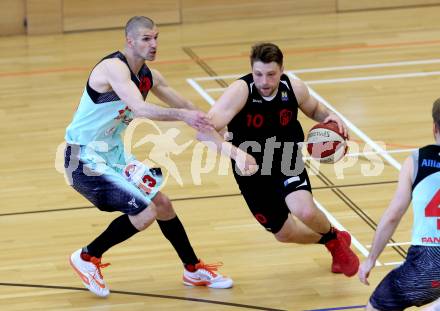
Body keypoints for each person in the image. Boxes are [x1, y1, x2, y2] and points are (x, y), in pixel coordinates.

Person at [64, 16, 232, 297]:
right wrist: (184, 117)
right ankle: (87, 257)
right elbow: (140, 110)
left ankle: (192, 269)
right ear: (129, 41)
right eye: (146, 39)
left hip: (114, 155)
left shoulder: (148, 76)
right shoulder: (113, 68)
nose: (153, 44)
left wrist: (217, 127)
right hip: (84, 159)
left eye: (156, 38)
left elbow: (186, 105)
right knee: (145, 212)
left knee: (162, 204)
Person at [197, 42, 359, 277]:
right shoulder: (240, 91)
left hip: (285, 156)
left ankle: (334, 241)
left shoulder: (294, 88)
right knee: (283, 233)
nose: (264, 81)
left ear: (282, 70)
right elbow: (204, 132)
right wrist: (235, 152)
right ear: (252, 70)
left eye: (271, 74)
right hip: (250, 168)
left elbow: (314, 109)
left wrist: (330, 116)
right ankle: (332, 239)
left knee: (304, 211)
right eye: (258, 74)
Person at [358, 99, 440, 310]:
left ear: (434, 127)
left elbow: (394, 215)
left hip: (428, 264)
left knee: (375, 308)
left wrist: (370, 259)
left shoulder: (416, 161)